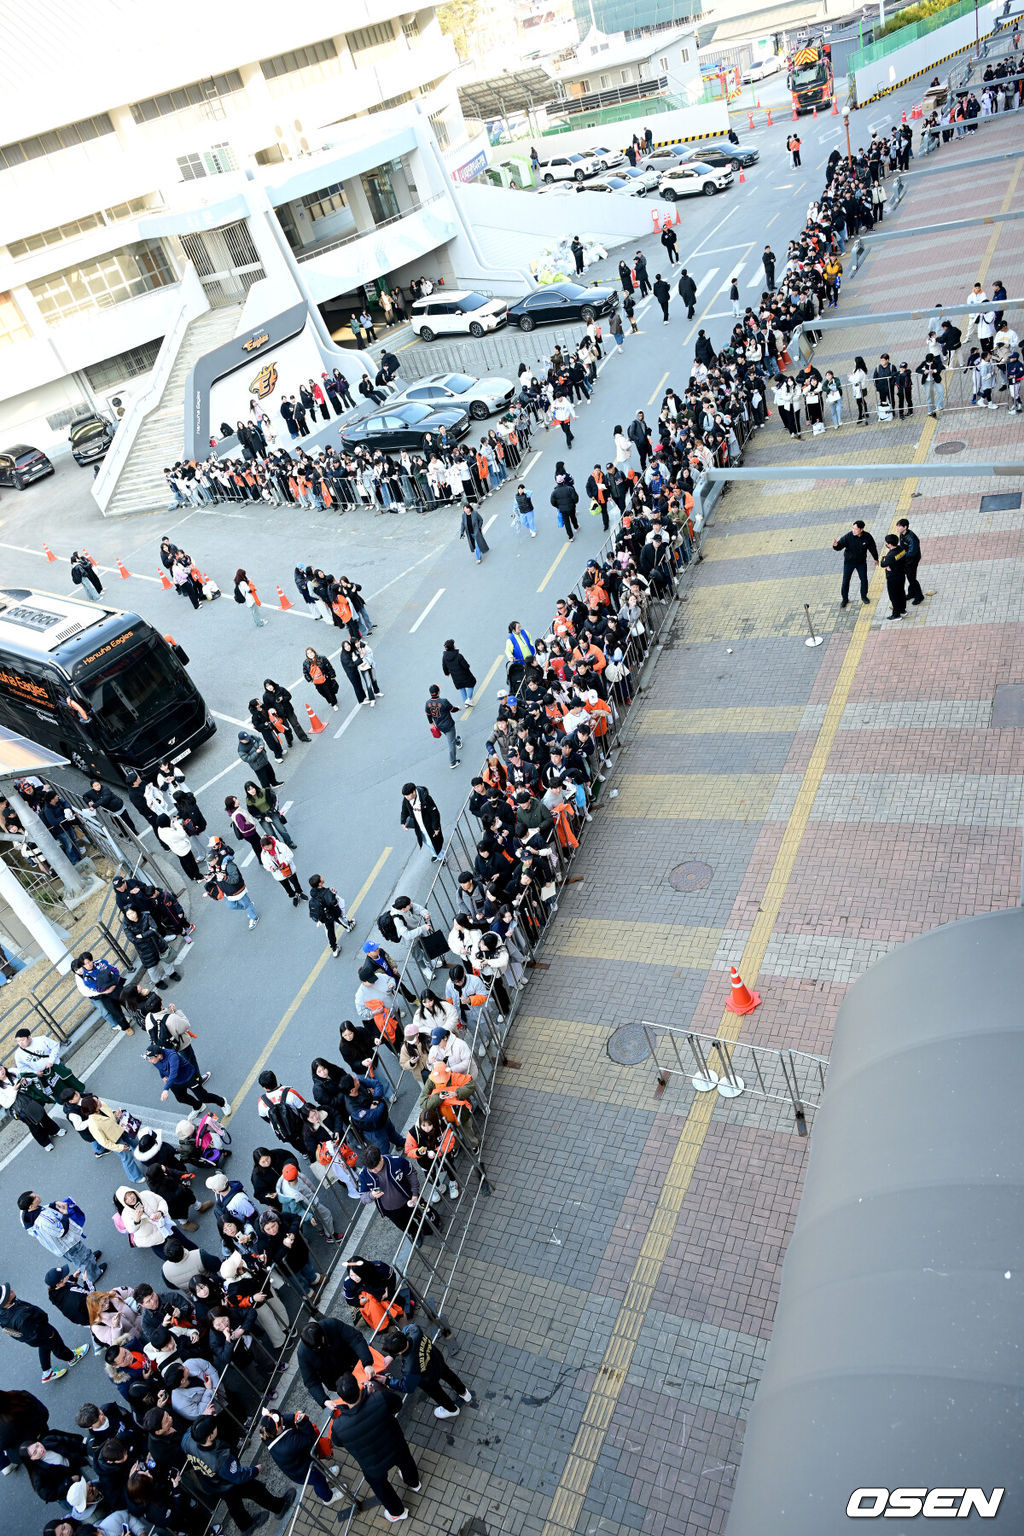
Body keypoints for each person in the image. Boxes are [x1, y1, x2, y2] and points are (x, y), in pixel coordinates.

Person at [329, 1373, 421, 1523]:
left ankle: (398, 1512)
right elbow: (397, 1404)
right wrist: (375, 1393)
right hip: (395, 1446)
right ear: (359, 1387)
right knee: (406, 1461)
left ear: (342, 1399)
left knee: (381, 1487)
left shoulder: (339, 1426)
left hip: (372, 1464)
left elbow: (337, 1442)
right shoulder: (379, 1398)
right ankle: (413, 1482)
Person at [182, 1414, 294, 1533]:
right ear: (209, 1437)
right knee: (256, 1490)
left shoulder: (187, 1440)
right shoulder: (220, 1459)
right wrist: (255, 1470)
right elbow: (238, 1475)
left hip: (211, 1483)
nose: (216, 1427)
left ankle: (246, 1526)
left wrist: (206, 1416)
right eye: (213, 1428)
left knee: (233, 1503)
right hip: (227, 1482)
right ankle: (280, 1507)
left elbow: (191, 1430)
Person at [0, 1283, 89, 1383]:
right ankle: (72, 1358)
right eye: (9, 1292)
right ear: (5, 1301)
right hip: (41, 1332)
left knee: (44, 1345)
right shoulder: (21, 1318)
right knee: (57, 1345)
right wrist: (48, 1333)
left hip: (35, 1336)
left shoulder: (5, 1309)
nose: (11, 1290)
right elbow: (35, 1332)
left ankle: (47, 1372)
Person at [382, 1323, 473, 1419]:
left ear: (399, 1352)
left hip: (428, 1380)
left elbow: (407, 1386)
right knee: (450, 1376)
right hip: (437, 1361)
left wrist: (387, 1381)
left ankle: (452, 1410)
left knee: (438, 1394)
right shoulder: (415, 1330)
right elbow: (406, 1329)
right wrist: (393, 1353)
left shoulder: (409, 1366)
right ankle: (464, 1393)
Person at [259, 1410, 347, 1505]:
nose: (283, 1419)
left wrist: (295, 1417)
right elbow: (309, 1437)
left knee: (319, 1472)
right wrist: (303, 1422)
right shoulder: (289, 1445)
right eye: (281, 1421)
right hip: (303, 1471)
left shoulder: (266, 1433)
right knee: (318, 1481)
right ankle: (328, 1498)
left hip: (300, 1464)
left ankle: (325, 1475)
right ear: (278, 1428)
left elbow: (284, 1418)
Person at [17, 1192, 106, 1285]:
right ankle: (94, 1274)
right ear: (31, 1206)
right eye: (35, 1197)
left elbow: (43, 1209)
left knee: (79, 1258)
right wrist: (65, 1214)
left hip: (60, 1247)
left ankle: (89, 1264)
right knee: (83, 1257)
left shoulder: (25, 1213)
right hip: (68, 1244)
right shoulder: (42, 1221)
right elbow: (61, 1231)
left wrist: (53, 1204)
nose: (37, 1196)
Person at [297, 1316, 374, 1407]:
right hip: (339, 1383)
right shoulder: (303, 1354)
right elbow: (311, 1381)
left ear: (323, 1336)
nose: (319, 1348)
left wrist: (367, 1363)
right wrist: (324, 1400)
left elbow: (355, 1339)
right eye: (316, 1348)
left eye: (320, 1345)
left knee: (373, 1385)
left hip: (356, 1366)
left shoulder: (332, 1325)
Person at [145, 1047, 230, 1114]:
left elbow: (173, 1073)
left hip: (189, 1077)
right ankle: (198, 1106)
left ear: (159, 1056)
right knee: (181, 1098)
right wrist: (163, 1076)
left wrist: (165, 1089)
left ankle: (222, 1102)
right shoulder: (154, 1061)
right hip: (175, 1081)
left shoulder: (172, 1056)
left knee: (203, 1097)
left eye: (150, 1058)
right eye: (148, 1058)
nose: (149, 1060)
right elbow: (160, 1068)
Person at [205, 847, 260, 929]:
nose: (209, 863)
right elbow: (217, 877)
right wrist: (210, 878)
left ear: (216, 858)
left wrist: (224, 878)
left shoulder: (229, 865)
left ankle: (254, 917)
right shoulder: (214, 866)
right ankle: (249, 906)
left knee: (246, 904)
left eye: (210, 860)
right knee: (231, 906)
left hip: (237, 890)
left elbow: (235, 879)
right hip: (227, 891)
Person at [832, 520, 879, 607]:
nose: (853, 530)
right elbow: (840, 545)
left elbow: (872, 548)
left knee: (864, 579)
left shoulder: (867, 537)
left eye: (856, 529)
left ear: (861, 529)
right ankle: (845, 599)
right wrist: (835, 546)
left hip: (861, 562)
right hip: (849, 562)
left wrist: (876, 558)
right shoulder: (848, 536)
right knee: (846, 580)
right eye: (853, 528)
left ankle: (864, 596)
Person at [308, 874, 356, 957]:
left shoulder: (313, 894)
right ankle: (349, 926)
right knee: (340, 919)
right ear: (319, 883)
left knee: (330, 931)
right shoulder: (326, 892)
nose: (323, 878)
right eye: (321, 878)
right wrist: (333, 894)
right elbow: (333, 902)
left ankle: (334, 948)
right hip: (332, 912)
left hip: (324, 917)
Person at [400, 783, 444, 860]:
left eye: (407, 795)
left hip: (428, 826)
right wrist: (403, 822)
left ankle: (441, 856)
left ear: (413, 792)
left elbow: (434, 813)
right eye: (404, 796)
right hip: (418, 826)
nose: (406, 797)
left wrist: (436, 827)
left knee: (433, 842)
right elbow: (404, 810)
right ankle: (435, 854)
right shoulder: (407, 799)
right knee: (426, 841)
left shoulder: (425, 798)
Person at [259, 835, 307, 906]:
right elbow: (265, 864)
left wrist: (285, 863)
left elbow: (290, 855)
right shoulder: (264, 853)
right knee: (287, 887)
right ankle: (294, 896)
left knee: (295, 882)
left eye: (268, 846)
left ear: (271, 842)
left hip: (288, 869)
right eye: (265, 847)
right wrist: (271, 868)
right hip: (278, 873)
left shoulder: (281, 846)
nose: (267, 848)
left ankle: (299, 893)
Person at [425, 685, 462, 769]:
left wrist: (431, 723)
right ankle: (453, 762)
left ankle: (458, 742)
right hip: (448, 724)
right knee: (451, 743)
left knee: (450, 737)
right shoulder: (443, 701)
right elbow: (452, 709)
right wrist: (458, 708)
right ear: (438, 692)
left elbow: (428, 715)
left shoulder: (428, 703)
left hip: (439, 725)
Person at [896, 517, 925, 605]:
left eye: (899, 526)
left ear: (905, 527)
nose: (897, 528)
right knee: (910, 577)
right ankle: (911, 593)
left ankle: (919, 596)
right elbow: (902, 547)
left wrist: (900, 556)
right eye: (897, 526)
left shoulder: (912, 538)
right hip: (906, 559)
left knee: (912, 578)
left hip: (912, 560)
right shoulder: (902, 534)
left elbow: (912, 552)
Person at [302, 646, 340, 711]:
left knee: (329, 692)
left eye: (311, 652)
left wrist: (332, 675)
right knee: (322, 693)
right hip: (316, 682)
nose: (310, 654)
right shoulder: (306, 663)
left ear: (314, 652)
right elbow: (305, 672)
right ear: (307, 655)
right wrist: (310, 680)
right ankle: (330, 701)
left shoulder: (322, 658)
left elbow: (329, 667)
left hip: (325, 679)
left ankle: (333, 704)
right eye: (308, 653)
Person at [880, 533, 907, 620]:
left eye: (887, 543)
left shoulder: (890, 556)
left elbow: (883, 564)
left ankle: (896, 614)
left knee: (894, 596)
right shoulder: (901, 549)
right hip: (901, 574)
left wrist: (884, 557)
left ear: (890, 544)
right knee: (901, 592)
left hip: (893, 578)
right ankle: (902, 610)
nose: (886, 544)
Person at [550, 469, 579, 543]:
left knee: (566, 523)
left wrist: (558, 506)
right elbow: (575, 498)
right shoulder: (569, 489)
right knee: (573, 517)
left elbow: (552, 502)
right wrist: (573, 503)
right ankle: (576, 527)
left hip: (562, 509)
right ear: (563, 481)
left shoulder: (554, 492)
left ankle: (570, 537)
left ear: (557, 482)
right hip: (571, 507)